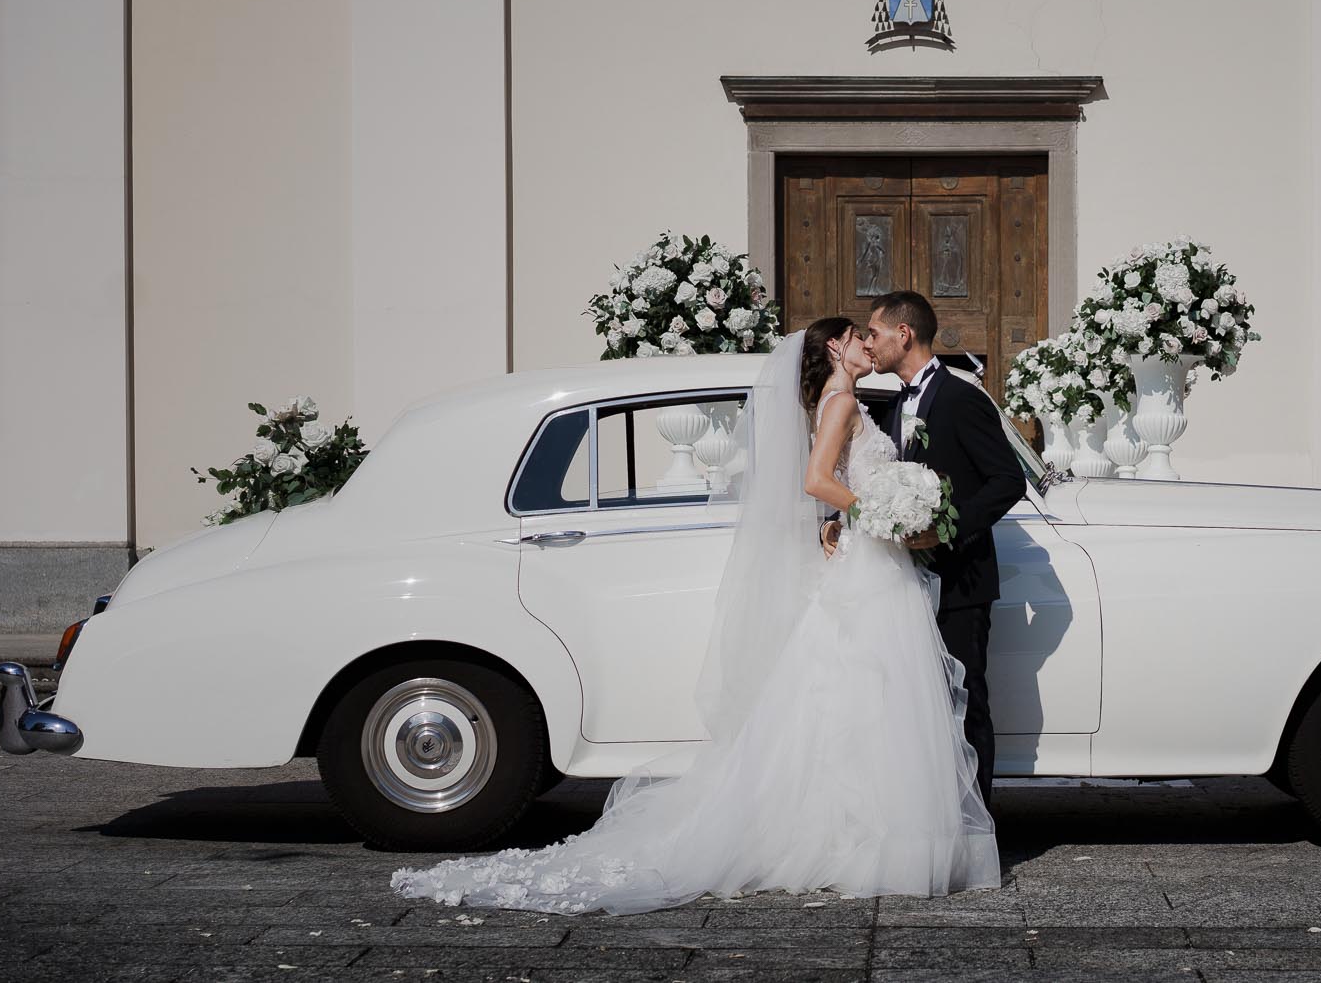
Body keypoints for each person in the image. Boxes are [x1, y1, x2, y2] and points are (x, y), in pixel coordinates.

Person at [388, 316, 999, 915]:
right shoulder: (842, 404)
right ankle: (865, 839)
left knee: (858, 702)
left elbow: (834, 476)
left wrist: (855, 515)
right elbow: (818, 479)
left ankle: (861, 834)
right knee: (864, 697)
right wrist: (876, 512)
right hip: (873, 564)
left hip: (872, 565)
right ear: (837, 348)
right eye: (858, 336)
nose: (869, 343)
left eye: (873, 333)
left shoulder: (850, 400)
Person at [820, 291, 1026, 812]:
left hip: (960, 579)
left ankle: (977, 827)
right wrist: (835, 520)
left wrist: (946, 533)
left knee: (965, 702)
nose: (868, 341)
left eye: (874, 332)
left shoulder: (961, 397)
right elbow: (872, 478)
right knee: (916, 710)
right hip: (900, 584)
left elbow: (1007, 481)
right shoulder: (890, 407)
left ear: (903, 334)